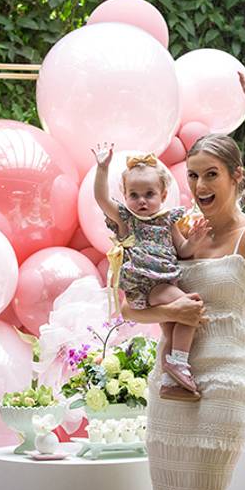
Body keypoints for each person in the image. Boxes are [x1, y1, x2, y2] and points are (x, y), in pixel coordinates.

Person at [120, 46, 245, 490]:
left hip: (221, 385)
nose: (200, 187)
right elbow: (133, 305)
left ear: (236, 178)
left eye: (211, 175)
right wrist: (168, 310)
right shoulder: (180, 237)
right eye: (192, 177)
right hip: (168, 385)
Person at [91, 146, 211, 400]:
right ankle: (178, 361)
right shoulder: (127, 220)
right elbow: (102, 199)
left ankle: (171, 382)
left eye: (149, 194)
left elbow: (184, 250)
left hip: (163, 283)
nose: (142, 201)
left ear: (163, 194)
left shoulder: (167, 221)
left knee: (171, 328)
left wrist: (196, 240)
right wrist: (102, 169)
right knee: (191, 308)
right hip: (151, 285)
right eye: (134, 195)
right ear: (124, 195)